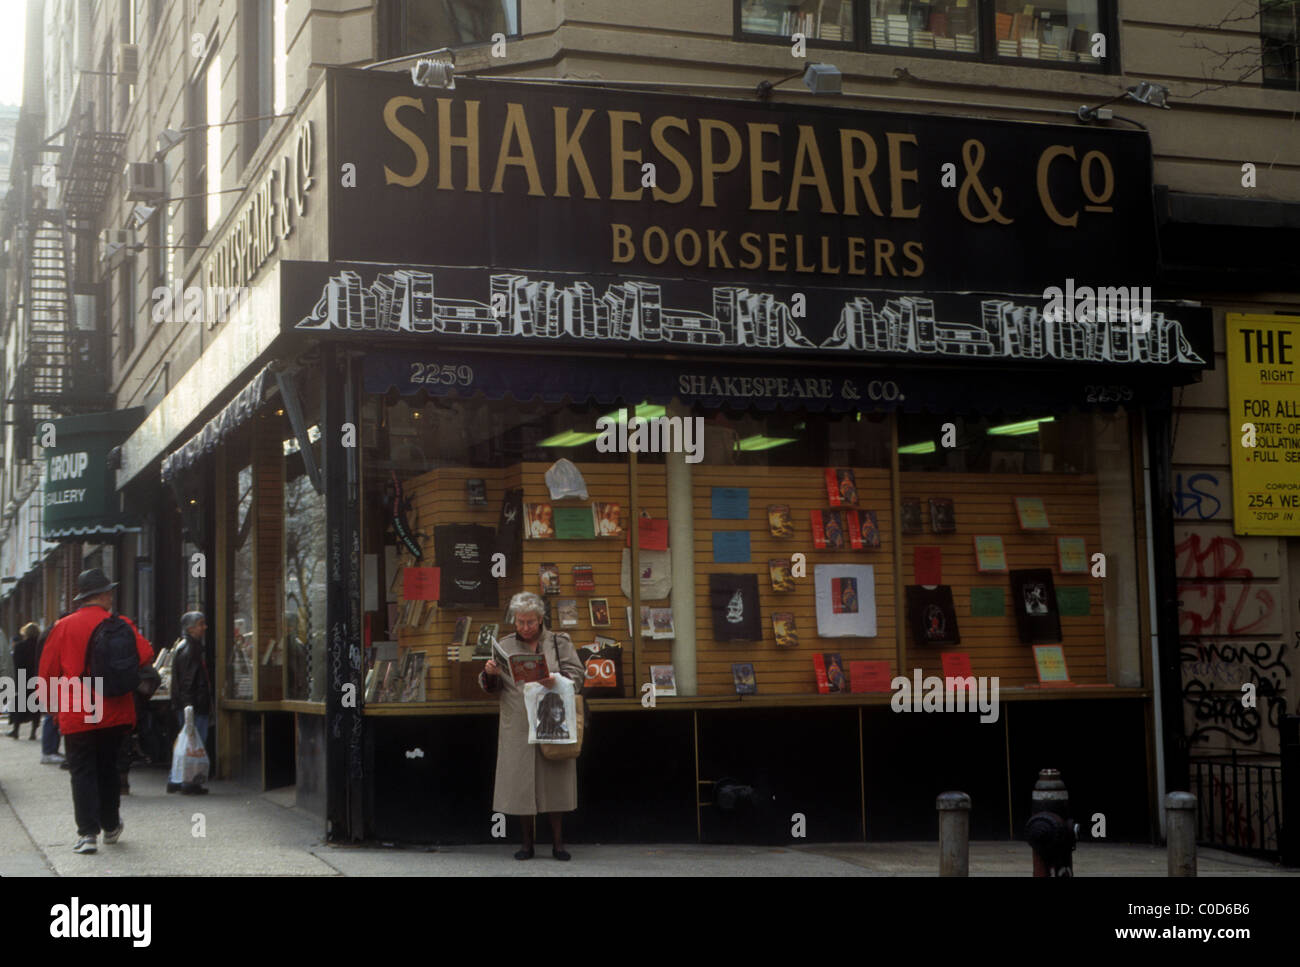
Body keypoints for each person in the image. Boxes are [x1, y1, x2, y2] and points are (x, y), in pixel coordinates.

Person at [37, 569, 154, 855]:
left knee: (82, 771)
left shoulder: (63, 627)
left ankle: (87, 834)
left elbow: (48, 671)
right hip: (114, 709)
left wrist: (52, 708)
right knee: (109, 769)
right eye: (109, 591)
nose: (112, 595)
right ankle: (111, 826)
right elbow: (145, 654)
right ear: (100, 596)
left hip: (77, 710)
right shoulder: (121, 623)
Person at [479, 591, 584, 862]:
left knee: (555, 781)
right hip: (519, 723)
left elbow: (578, 675)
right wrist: (489, 674)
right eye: (520, 622)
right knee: (522, 785)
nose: (525, 628)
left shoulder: (559, 642)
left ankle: (559, 844)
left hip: (552, 715)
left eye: (530, 622)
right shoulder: (504, 645)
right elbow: (493, 687)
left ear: (540, 620)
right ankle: (527, 844)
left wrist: (556, 679)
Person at [169, 611, 212, 795]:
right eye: (201, 624)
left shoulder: (184, 647)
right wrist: (190, 708)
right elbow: (188, 682)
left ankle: (175, 779)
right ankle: (189, 781)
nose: (204, 627)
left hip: (189, 705)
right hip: (194, 705)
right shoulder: (191, 650)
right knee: (194, 744)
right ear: (190, 628)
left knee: (185, 742)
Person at [35, 616, 69, 766]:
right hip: (52, 679)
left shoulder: (49, 633)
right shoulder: (53, 635)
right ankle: (48, 751)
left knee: (52, 714)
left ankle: (50, 750)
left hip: (48, 678)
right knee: (51, 715)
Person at [8, 624, 40, 739]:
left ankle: (16, 730)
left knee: (19, 705)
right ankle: (33, 733)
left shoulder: (19, 646)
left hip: (22, 677)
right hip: (37, 678)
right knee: (36, 706)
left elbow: (15, 664)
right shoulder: (40, 646)